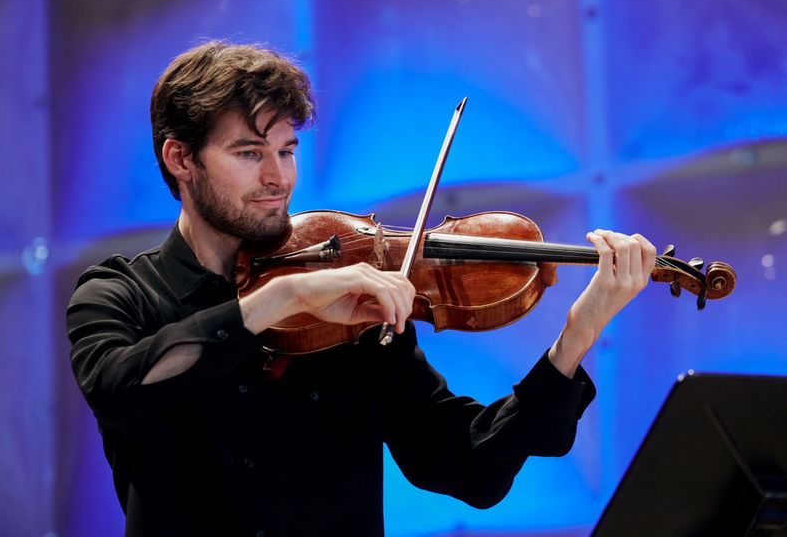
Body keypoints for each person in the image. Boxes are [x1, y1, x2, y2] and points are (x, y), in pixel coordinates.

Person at [67, 40, 656, 536]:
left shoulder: (350, 308)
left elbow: (467, 464)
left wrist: (578, 334)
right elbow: (117, 386)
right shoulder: (121, 292)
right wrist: (279, 299)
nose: (278, 177)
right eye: (248, 153)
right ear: (180, 158)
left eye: (287, 150)